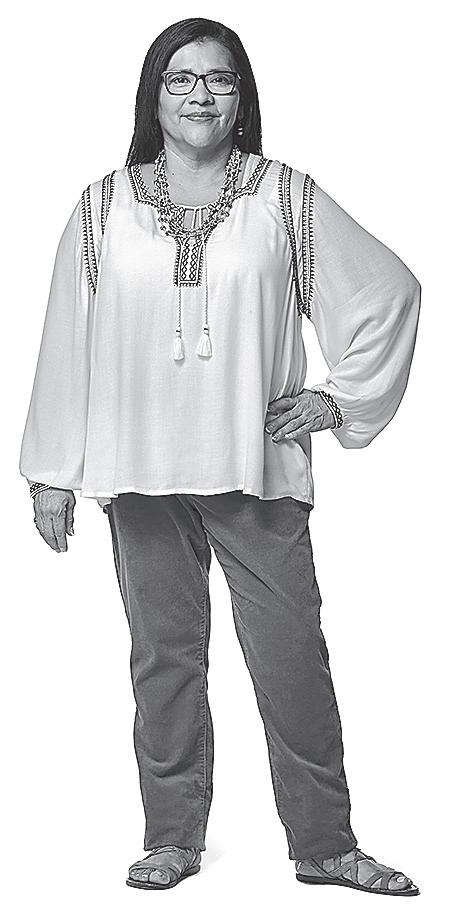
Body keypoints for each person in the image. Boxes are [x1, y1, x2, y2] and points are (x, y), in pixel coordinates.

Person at [19, 17, 421, 896]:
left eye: (219, 78)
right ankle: (171, 837)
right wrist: (52, 471)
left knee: (289, 656)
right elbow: (66, 335)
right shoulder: (102, 205)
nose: (200, 95)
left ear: (242, 95)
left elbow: (389, 290)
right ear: (153, 95)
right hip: (138, 469)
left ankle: (325, 843)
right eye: (181, 78)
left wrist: (337, 398)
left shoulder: (284, 196)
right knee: (163, 661)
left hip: (253, 464)